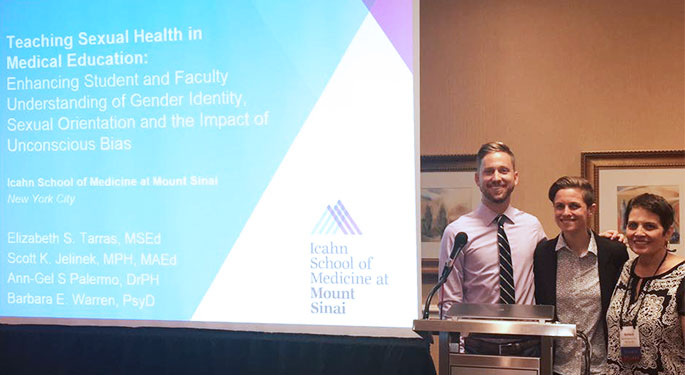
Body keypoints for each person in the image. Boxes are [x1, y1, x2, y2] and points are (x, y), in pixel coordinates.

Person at [438, 141, 546, 356]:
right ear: (477, 179)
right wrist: (457, 356)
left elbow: (558, 264)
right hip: (478, 348)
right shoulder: (457, 232)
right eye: (489, 171)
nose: (497, 177)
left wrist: (604, 242)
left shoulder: (532, 226)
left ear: (515, 177)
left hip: (529, 348)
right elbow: (450, 301)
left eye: (503, 170)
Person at [534, 176, 628, 375]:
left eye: (574, 206)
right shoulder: (543, 254)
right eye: (559, 206)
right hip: (557, 367)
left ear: (590, 209)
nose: (566, 212)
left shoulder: (613, 252)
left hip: (603, 367)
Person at [606, 193, 685, 374]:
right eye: (633, 225)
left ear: (668, 232)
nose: (639, 233)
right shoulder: (625, 269)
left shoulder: (682, 276)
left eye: (649, 226)